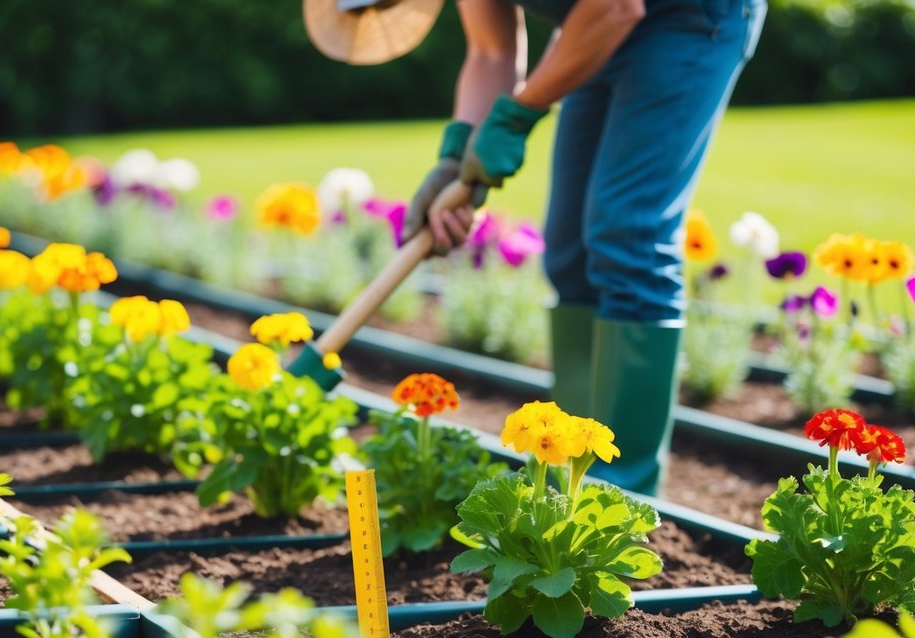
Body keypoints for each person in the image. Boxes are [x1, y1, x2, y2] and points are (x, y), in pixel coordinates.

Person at [303, 0, 765, 495]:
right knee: (569, 252)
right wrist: (457, 156)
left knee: (629, 233)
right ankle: (568, 467)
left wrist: (517, 115)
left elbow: (617, 7)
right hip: (591, 21)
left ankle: (619, 493)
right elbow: (489, 50)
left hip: (688, 17)